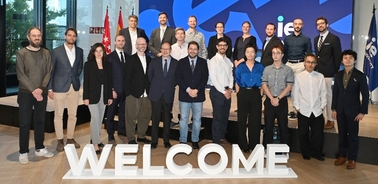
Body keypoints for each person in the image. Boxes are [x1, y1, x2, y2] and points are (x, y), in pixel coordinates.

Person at [16, 27, 53, 164]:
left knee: (40, 121)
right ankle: (23, 152)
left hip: (41, 93)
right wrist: (34, 90)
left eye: (39, 35)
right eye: (34, 35)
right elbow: (21, 75)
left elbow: (48, 72)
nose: (37, 37)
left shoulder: (46, 53)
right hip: (26, 93)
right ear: (28, 37)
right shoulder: (21, 53)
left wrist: (41, 88)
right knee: (25, 123)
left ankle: (40, 148)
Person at [48, 28, 83, 152]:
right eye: (69, 35)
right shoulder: (56, 52)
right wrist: (50, 88)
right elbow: (50, 71)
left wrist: (74, 77)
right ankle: (59, 140)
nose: (71, 38)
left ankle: (70, 138)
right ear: (65, 36)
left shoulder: (80, 51)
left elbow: (79, 68)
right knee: (59, 115)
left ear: (76, 38)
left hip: (74, 87)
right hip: (59, 87)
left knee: (73, 114)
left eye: (74, 36)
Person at [332, 50, 369, 170]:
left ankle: (352, 158)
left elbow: (365, 94)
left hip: (354, 111)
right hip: (340, 110)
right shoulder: (338, 75)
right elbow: (335, 93)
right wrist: (334, 109)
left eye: (350, 58)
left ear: (355, 60)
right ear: (342, 60)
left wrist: (362, 112)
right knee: (342, 134)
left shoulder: (360, 75)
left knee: (353, 135)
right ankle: (342, 155)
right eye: (345, 58)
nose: (347, 60)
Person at [293, 54, 327, 161]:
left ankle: (316, 153)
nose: (310, 64)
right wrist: (297, 107)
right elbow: (295, 92)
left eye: (312, 62)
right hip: (303, 109)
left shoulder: (320, 76)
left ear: (316, 64)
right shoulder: (298, 77)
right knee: (303, 133)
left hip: (317, 110)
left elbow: (323, 92)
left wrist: (322, 106)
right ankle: (306, 153)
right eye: (308, 62)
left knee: (318, 134)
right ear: (304, 63)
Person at [176, 41, 208, 149]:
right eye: (191, 48)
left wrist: (196, 90)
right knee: (184, 119)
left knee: (197, 119)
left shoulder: (203, 62)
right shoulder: (181, 62)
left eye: (195, 49)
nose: (193, 51)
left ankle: (195, 140)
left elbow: (204, 78)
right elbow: (178, 78)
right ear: (187, 49)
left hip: (198, 96)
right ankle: (183, 140)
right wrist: (189, 89)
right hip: (185, 95)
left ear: (198, 50)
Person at [261, 45, 294, 150]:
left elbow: (289, 86)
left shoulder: (288, 70)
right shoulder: (267, 69)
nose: (275, 55)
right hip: (269, 101)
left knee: (283, 126)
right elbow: (264, 84)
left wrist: (278, 98)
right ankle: (267, 149)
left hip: (282, 101)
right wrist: (271, 98)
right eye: (273, 53)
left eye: (278, 53)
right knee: (268, 126)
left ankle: (285, 150)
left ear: (282, 55)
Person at [83, 43, 113, 154]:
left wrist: (109, 96)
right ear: (93, 52)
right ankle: (95, 143)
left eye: (101, 50)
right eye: (97, 51)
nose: (99, 53)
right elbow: (86, 82)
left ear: (104, 52)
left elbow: (110, 82)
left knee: (100, 119)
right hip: (92, 95)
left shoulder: (108, 65)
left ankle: (95, 139)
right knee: (95, 117)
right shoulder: (88, 64)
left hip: (104, 94)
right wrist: (85, 97)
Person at [235, 43, 264, 153]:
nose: (250, 54)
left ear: (255, 53)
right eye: (248, 52)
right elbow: (237, 81)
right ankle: (243, 145)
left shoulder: (260, 66)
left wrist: (260, 93)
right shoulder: (240, 67)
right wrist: (239, 94)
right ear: (245, 54)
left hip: (256, 93)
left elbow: (263, 81)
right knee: (242, 119)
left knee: (255, 120)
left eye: (252, 52)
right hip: (243, 93)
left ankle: (254, 145)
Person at [148, 42, 178, 149]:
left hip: (168, 94)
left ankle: (166, 140)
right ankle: (154, 141)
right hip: (156, 93)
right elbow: (150, 76)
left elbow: (176, 78)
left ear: (171, 50)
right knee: (155, 118)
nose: (165, 51)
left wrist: (168, 86)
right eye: (163, 49)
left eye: (167, 49)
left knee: (166, 119)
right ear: (160, 50)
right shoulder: (154, 61)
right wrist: (157, 86)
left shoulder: (176, 63)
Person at [314, 16, 342, 129]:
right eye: (318, 24)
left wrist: (334, 71)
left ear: (327, 25)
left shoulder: (334, 38)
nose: (320, 25)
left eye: (322, 23)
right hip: (317, 71)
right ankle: (320, 117)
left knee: (328, 96)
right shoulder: (316, 39)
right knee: (319, 96)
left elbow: (337, 56)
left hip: (328, 72)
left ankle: (330, 119)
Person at [124, 37, 152, 144]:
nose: (142, 46)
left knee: (145, 116)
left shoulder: (150, 60)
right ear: (136, 46)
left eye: (144, 44)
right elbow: (126, 78)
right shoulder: (130, 60)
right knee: (131, 117)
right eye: (140, 44)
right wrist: (128, 93)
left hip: (147, 94)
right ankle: (131, 138)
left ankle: (141, 136)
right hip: (133, 94)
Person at [284, 18, 312, 119]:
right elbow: (285, 52)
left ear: (302, 25)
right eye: (296, 24)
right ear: (293, 25)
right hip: (288, 64)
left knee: (297, 88)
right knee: (286, 87)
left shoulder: (306, 39)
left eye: (299, 24)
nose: (297, 25)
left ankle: (296, 110)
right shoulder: (287, 38)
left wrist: (306, 65)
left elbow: (309, 53)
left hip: (300, 64)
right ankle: (284, 109)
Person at [208, 38, 234, 145]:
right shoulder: (213, 60)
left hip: (227, 92)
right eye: (220, 45)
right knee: (217, 117)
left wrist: (230, 89)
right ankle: (216, 140)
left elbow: (231, 76)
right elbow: (214, 79)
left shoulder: (228, 61)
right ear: (217, 47)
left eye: (224, 45)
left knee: (224, 116)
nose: (222, 47)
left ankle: (222, 137)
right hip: (217, 91)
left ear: (227, 47)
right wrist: (224, 91)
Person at [106, 35, 128, 143]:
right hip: (114, 91)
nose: (121, 42)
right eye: (119, 41)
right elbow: (108, 76)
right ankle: (110, 134)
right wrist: (111, 89)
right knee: (110, 113)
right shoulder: (109, 57)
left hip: (125, 91)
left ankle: (121, 130)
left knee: (123, 113)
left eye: (123, 41)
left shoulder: (128, 57)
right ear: (115, 42)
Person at [170, 27, 189, 127]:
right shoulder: (172, 48)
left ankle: (189, 120)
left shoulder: (189, 47)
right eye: (178, 33)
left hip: (187, 77)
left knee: (187, 99)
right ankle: (175, 118)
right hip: (176, 77)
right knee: (175, 99)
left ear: (184, 35)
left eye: (182, 33)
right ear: (175, 35)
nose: (180, 35)